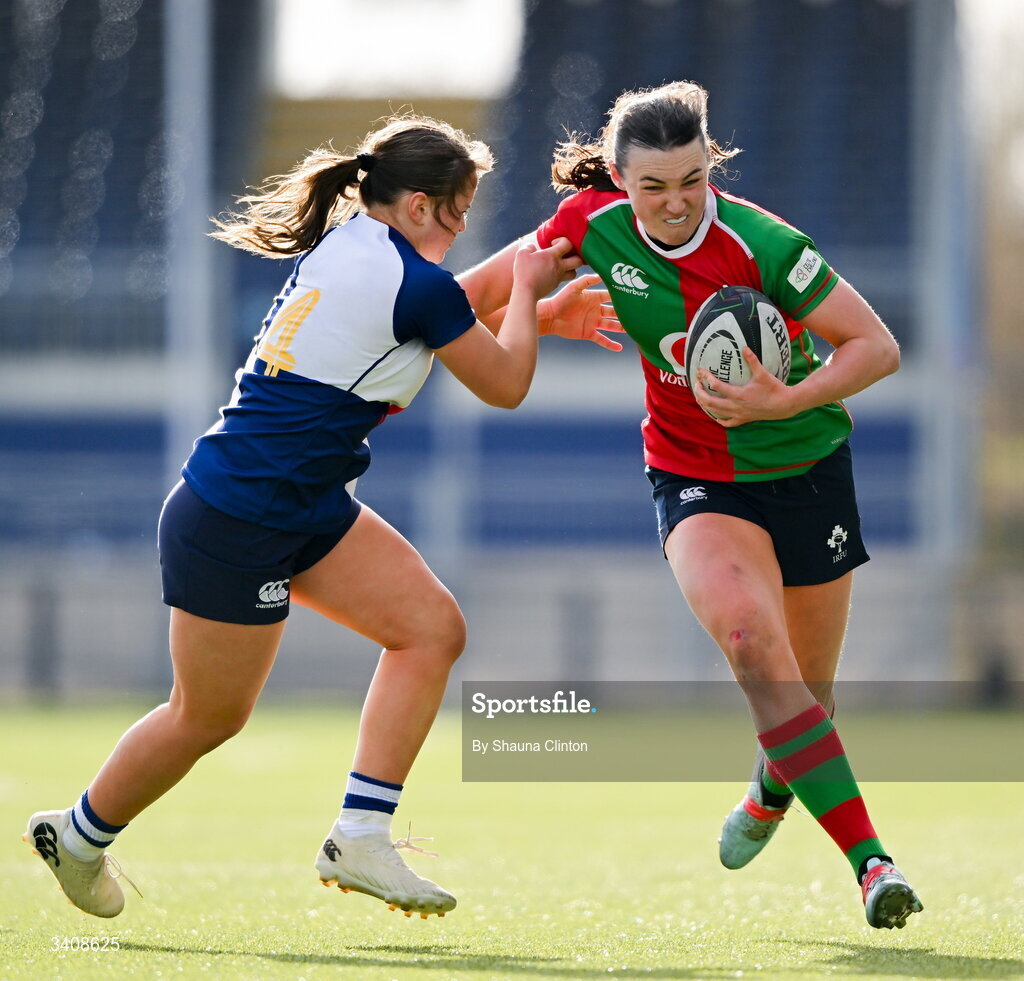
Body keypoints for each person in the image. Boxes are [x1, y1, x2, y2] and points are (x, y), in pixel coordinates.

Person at [24, 113, 619, 920]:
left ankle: (360, 833)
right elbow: (503, 378)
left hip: (295, 503)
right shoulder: (411, 279)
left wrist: (542, 293)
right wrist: (532, 295)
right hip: (239, 513)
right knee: (206, 716)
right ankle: (79, 832)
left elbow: (449, 312)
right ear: (417, 206)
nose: (463, 224)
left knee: (431, 629)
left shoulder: (357, 245)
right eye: (458, 208)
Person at [457, 81, 923, 930]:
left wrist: (786, 399)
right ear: (617, 181)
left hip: (809, 465)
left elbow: (877, 346)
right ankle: (873, 865)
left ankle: (771, 785)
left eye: (691, 182)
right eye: (652, 187)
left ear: (711, 168)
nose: (675, 205)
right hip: (694, 475)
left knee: (807, 702)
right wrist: (391, 314)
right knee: (752, 645)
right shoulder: (587, 227)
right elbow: (468, 298)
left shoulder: (765, 243)